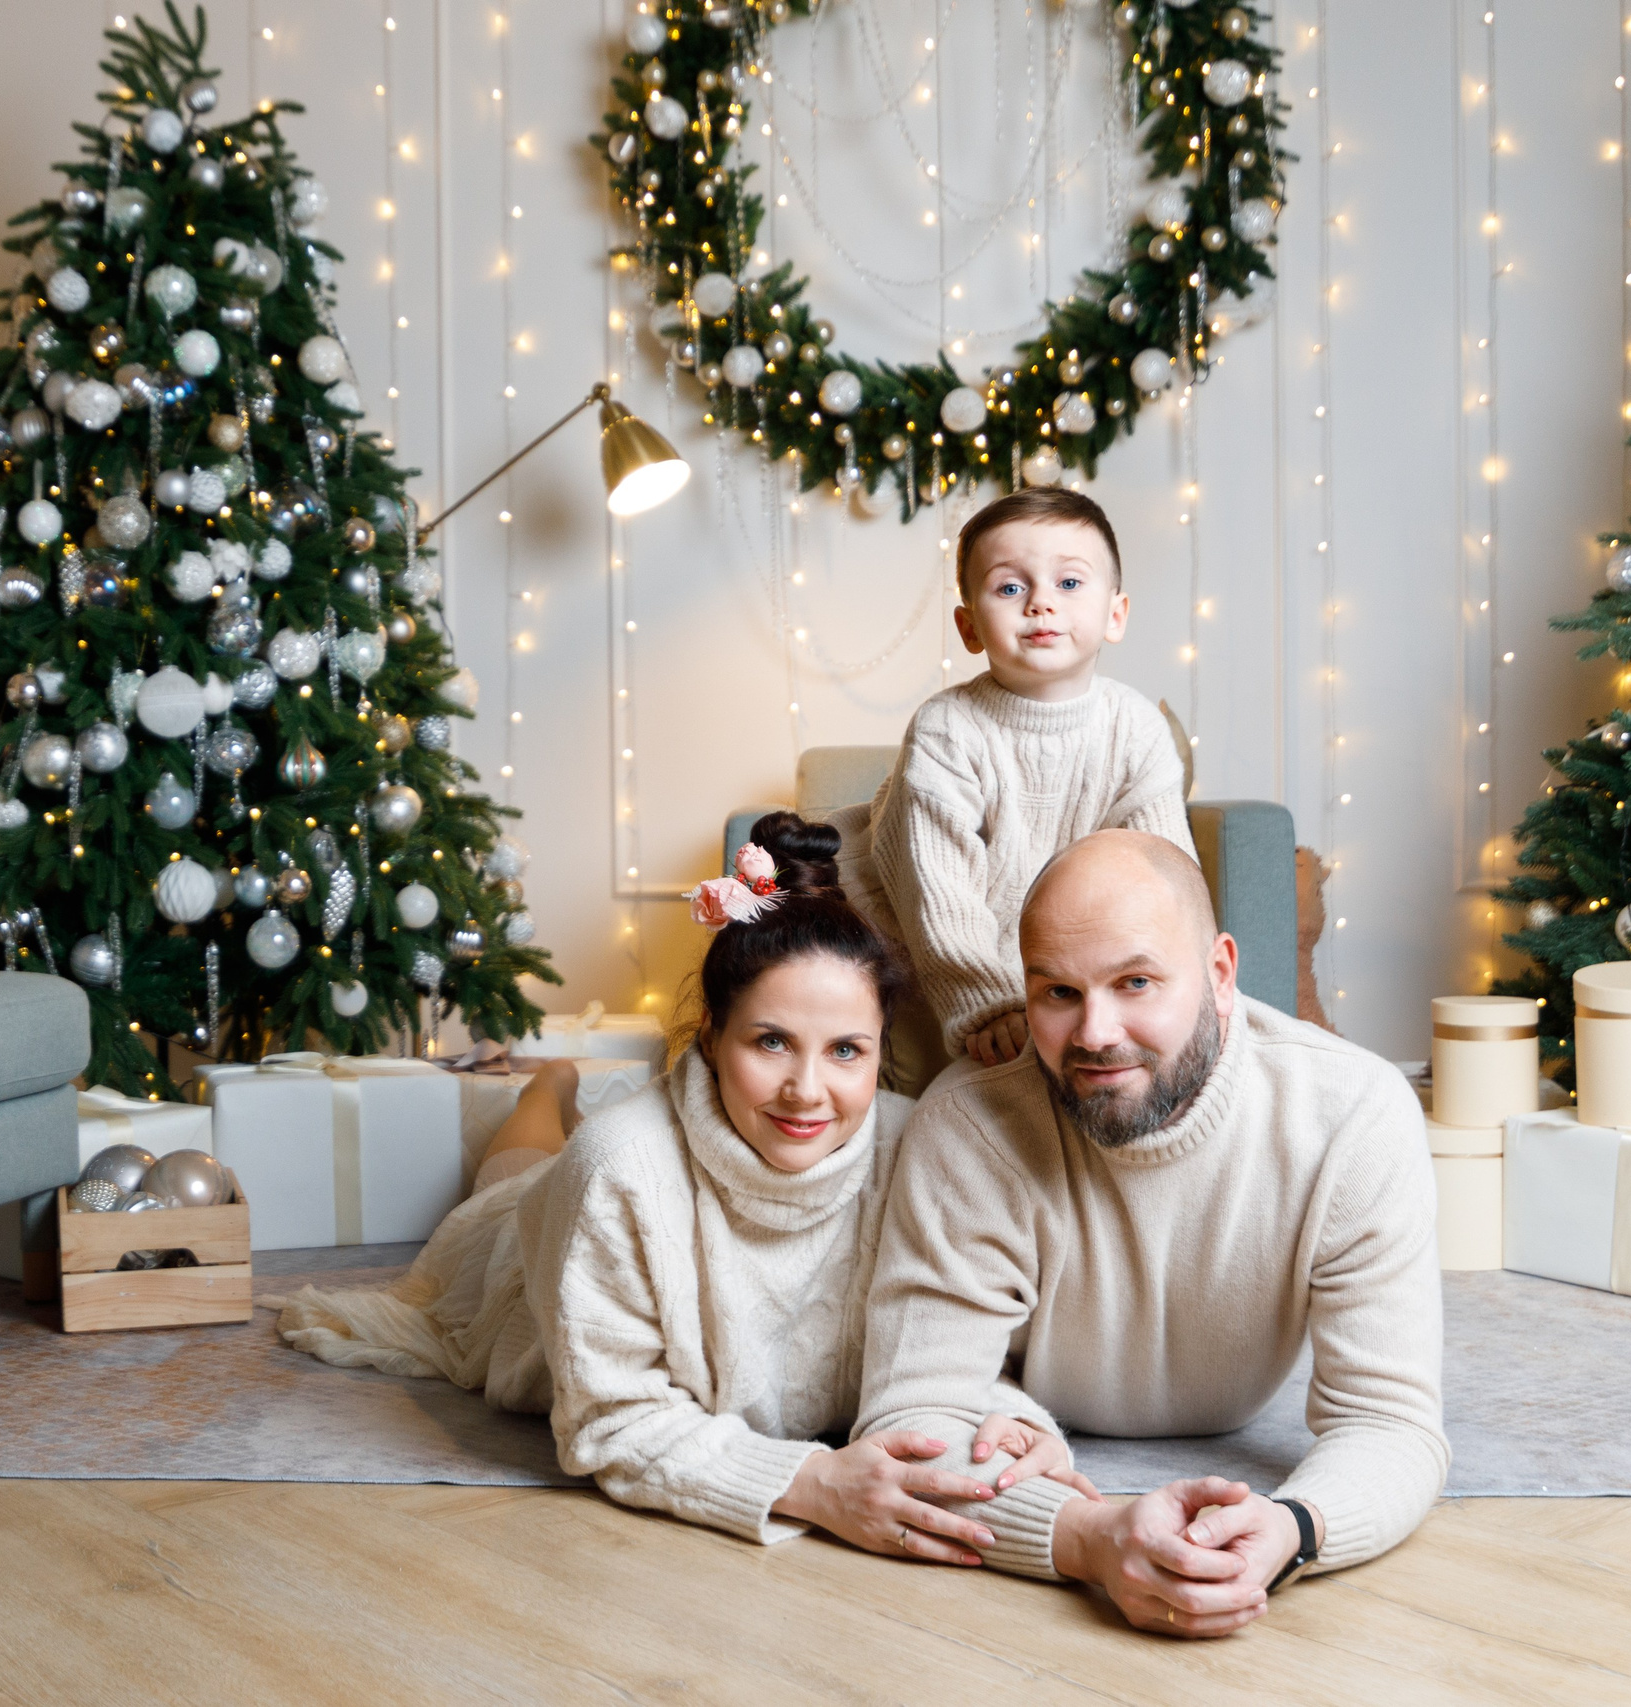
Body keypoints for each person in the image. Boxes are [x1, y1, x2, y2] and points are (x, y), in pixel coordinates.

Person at [278, 814, 1086, 1558]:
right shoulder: (619, 1168)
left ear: (881, 1049)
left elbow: (950, 1340)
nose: (807, 1090)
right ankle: (545, 1087)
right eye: (771, 1041)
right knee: (516, 1176)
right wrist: (812, 1484)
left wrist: (1010, 1421)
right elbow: (613, 1418)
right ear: (711, 1032)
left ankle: (551, 1093)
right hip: (535, 1250)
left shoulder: (921, 1148)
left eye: (846, 1051)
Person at [855, 829, 1447, 1638]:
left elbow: (1390, 1421)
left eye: (1135, 982)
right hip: (1035, 1465)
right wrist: (1088, 1538)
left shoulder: (1355, 1115)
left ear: (1220, 973)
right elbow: (906, 1424)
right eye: (1057, 992)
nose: (1095, 1032)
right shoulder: (970, 1124)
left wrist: (1293, 1529)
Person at [829, 487, 1196, 1087]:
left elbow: (1164, 875)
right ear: (970, 627)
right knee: (948, 1082)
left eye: (1070, 584)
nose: (1041, 604)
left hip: (1065, 955)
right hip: (924, 939)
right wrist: (988, 1000)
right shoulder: (947, 729)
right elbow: (939, 892)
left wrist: (1176, 983)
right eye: (1009, 588)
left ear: (1116, 613)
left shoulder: (1135, 728)